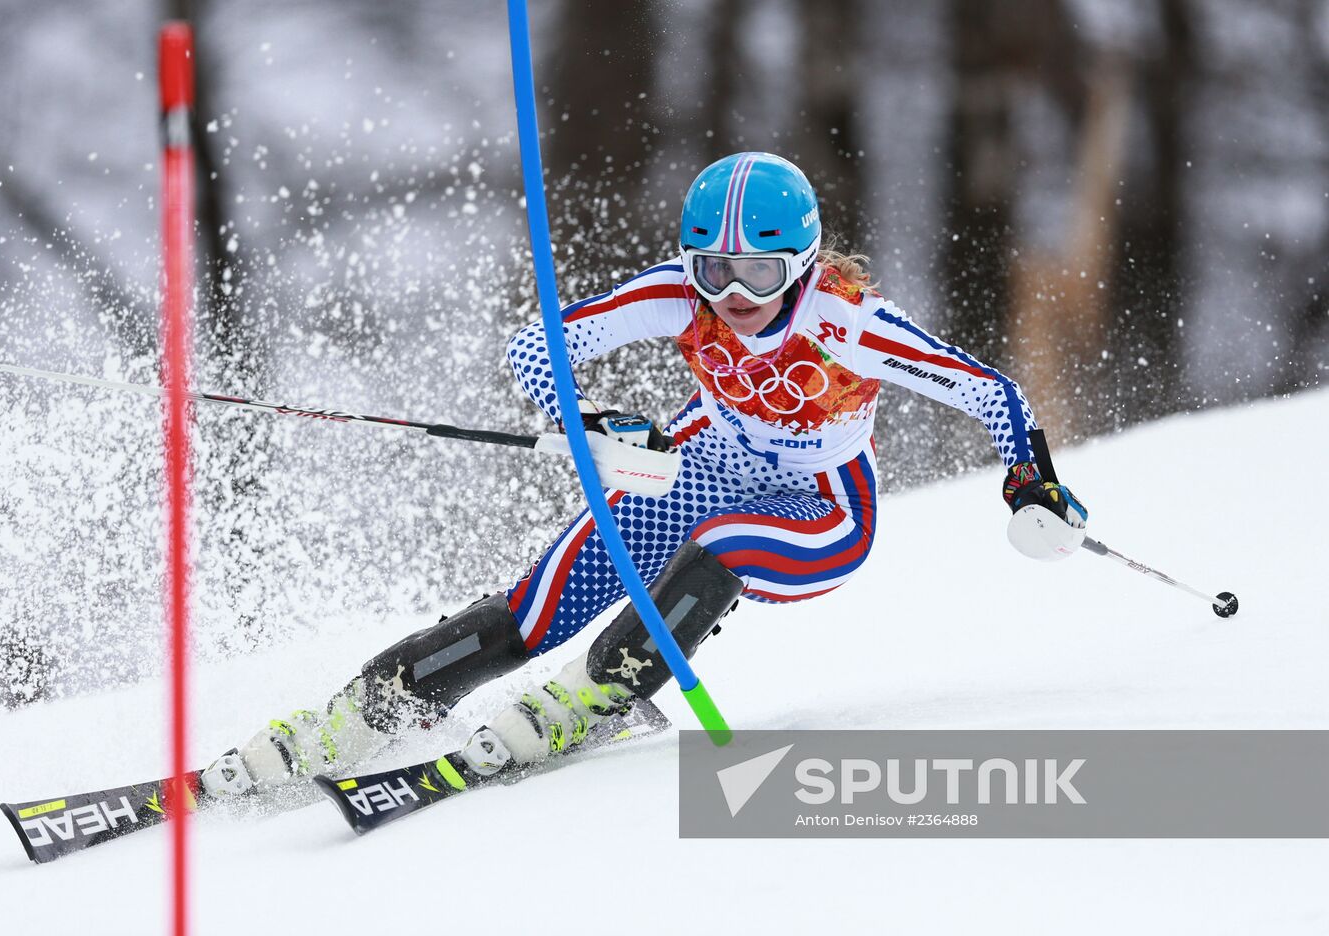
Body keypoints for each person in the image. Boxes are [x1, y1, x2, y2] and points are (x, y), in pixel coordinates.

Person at [199, 151, 1088, 795]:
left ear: (804, 264)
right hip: (702, 461)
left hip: (820, 502)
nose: (732, 295)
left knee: (718, 549)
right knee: (535, 607)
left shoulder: (849, 321)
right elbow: (535, 348)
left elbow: (990, 391)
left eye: (757, 271)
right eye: (713, 269)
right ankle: (356, 717)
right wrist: (585, 421)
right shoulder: (678, 293)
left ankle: (597, 695)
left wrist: (1032, 481)